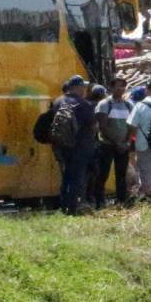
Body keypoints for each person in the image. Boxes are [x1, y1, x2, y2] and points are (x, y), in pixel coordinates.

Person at [54, 75, 97, 215]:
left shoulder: (58, 101)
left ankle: (64, 206)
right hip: (80, 146)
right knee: (77, 177)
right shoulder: (83, 104)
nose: (84, 89)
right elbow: (93, 126)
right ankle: (73, 207)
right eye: (83, 87)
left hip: (62, 145)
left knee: (66, 175)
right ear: (77, 87)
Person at [94, 77, 134, 207]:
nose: (120, 89)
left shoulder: (128, 105)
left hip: (123, 145)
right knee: (103, 173)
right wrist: (116, 143)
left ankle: (121, 200)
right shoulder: (105, 104)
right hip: (107, 145)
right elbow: (102, 126)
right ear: (111, 88)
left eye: (123, 86)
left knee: (121, 174)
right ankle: (99, 201)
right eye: (117, 86)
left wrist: (127, 142)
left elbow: (131, 126)